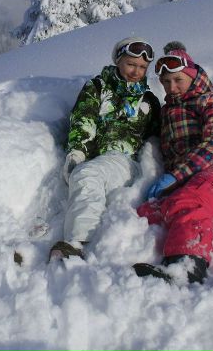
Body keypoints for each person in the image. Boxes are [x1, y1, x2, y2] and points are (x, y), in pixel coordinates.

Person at [134, 42, 213, 284]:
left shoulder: (211, 102)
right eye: (166, 82)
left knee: (186, 202)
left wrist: (176, 175)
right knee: (148, 213)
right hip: (189, 180)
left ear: (193, 75)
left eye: (178, 80)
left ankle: (185, 267)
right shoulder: (167, 112)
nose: (171, 87)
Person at [49, 37, 161, 261]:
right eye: (131, 64)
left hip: (126, 161)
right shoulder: (98, 88)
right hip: (100, 160)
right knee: (88, 173)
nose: (136, 71)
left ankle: (80, 243)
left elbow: (156, 139)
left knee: (88, 175)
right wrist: (78, 152)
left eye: (142, 67)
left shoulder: (149, 100)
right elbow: (84, 120)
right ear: (118, 60)